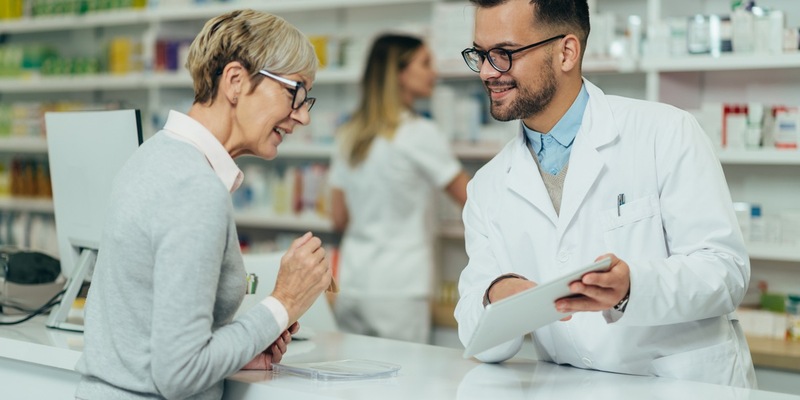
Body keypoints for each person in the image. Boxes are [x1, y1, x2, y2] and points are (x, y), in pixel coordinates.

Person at [454, 0, 756, 388]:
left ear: (566, 52)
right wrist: (496, 296)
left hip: (681, 386)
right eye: (480, 54)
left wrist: (632, 287)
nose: (485, 71)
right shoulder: (487, 186)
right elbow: (481, 341)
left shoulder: (665, 132)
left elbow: (725, 271)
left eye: (504, 54)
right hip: (573, 388)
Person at [74, 10, 332, 399]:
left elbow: (156, 338)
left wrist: (237, 349)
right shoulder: (195, 187)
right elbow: (179, 375)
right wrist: (284, 302)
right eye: (294, 92)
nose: (303, 116)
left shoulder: (155, 155)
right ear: (235, 81)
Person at [329, 34, 469, 344]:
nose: (434, 72)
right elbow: (472, 200)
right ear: (399, 73)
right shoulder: (419, 133)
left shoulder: (349, 133)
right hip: (400, 290)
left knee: (353, 386)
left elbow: (338, 218)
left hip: (353, 284)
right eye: (425, 63)